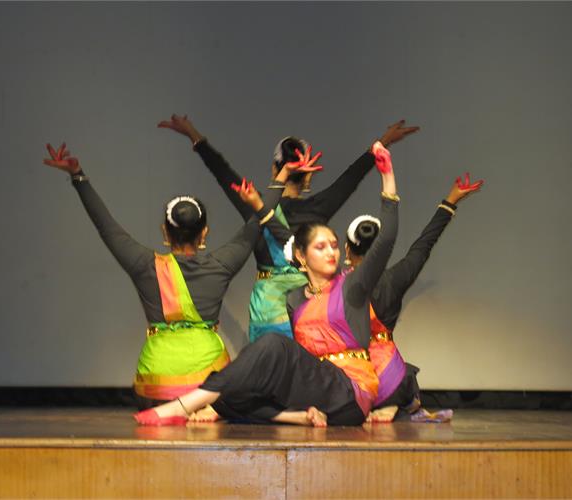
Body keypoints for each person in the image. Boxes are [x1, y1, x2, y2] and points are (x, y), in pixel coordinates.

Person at [134, 141, 399, 427]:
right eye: (321, 247)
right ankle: (296, 417)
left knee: (272, 345)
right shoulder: (296, 299)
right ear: (300, 256)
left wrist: (387, 178)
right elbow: (279, 232)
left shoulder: (353, 286)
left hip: (350, 394)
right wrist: (266, 197)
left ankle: (183, 405)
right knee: (232, 394)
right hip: (316, 391)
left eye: (334, 245)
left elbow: (385, 241)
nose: (331, 252)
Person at [42, 142, 315, 409]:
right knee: (231, 394)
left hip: (157, 388)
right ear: (204, 233)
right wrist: (282, 177)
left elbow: (107, 227)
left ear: (165, 231)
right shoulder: (221, 264)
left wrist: (78, 176)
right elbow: (257, 222)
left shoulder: (145, 265)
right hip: (208, 389)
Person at [158, 115, 419, 342]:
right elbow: (351, 178)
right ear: (308, 176)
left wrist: (193, 134)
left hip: (268, 307)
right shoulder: (319, 208)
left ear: (275, 169)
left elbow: (222, 172)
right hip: (308, 302)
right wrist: (382, 142)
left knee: (269, 369)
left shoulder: (255, 204)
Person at [344, 173, 484, 422]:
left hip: (352, 376)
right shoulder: (395, 279)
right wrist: (450, 201)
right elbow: (423, 245)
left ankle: (377, 406)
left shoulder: (337, 285)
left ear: (347, 249)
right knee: (402, 379)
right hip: (390, 377)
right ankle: (397, 404)